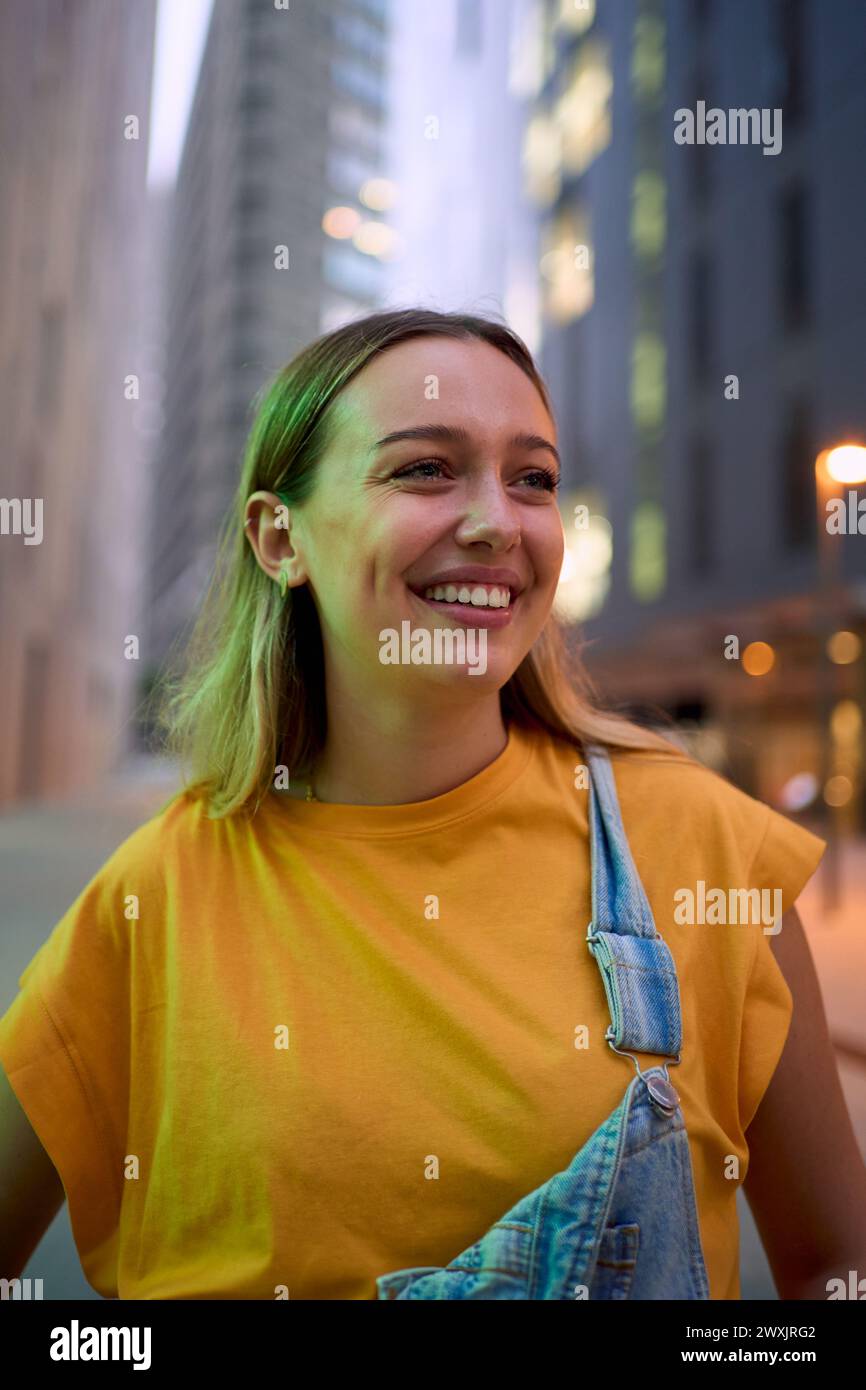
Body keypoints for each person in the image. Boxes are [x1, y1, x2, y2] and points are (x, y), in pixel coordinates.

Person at [1, 307, 864, 1300]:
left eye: (531, 477)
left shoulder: (705, 846)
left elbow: (835, 1270)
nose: (497, 520)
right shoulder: (158, 889)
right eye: (424, 469)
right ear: (279, 538)